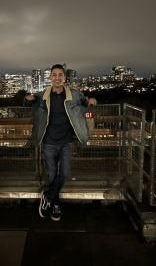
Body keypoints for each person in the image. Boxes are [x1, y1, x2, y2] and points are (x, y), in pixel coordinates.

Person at [24, 64, 97, 221]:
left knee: (63, 173)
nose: (57, 78)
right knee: (52, 176)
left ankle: (47, 197)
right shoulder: (43, 94)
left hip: (66, 141)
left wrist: (91, 101)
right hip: (48, 142)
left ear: (64, 77)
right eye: (54, 75)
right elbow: (27, 103)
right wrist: (26, 99)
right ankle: (55, 205)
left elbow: (85, 102)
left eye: (60, 75)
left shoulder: (75, 95)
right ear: (50, 77)